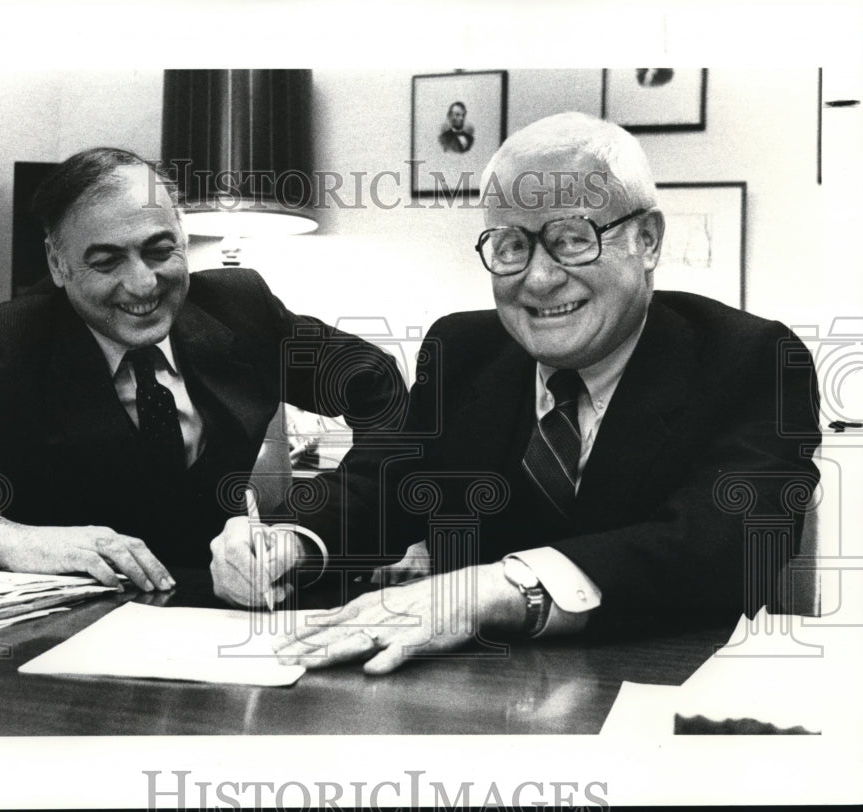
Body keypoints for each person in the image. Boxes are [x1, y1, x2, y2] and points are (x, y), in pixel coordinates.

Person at [273, 112, 821, 674]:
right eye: (512, 245)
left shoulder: (751, 359)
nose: (538, 279)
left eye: (571, 239)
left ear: (647, 240)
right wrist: (290, 541)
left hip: (662, 687)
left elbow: (724, 545)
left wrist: (499, 589)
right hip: (467, 692)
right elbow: (386, 486)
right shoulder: (463, 348)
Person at [0, 147, 406, 598]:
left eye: (160, 251)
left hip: (240, 619)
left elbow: (380, 387)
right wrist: (5, 542)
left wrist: (301, 531)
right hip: (72, 639)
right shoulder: (11, 341)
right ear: (58, 265)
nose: (143, 284)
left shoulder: (240, 306)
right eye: (106, 261)